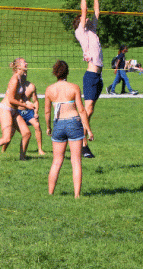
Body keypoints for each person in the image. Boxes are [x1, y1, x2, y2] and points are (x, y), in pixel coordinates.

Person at [44, 60, 94, 198]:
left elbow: (47, 112)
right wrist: (88, 130)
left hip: (58, 124)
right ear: (67, 72)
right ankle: (77, 195)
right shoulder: (74, 87)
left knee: (56, 161)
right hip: (74, 123)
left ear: (55, 73)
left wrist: (48, 127)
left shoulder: (49, 89)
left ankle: (50, 193)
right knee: (76, 161)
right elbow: (82, 110)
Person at [0, 58, 36, 162]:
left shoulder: (23, 77)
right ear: (18, 67)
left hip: (13, 110)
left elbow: (22, 95)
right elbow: (11, 99)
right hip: (5, 109)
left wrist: (27, 102)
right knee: (6, 138)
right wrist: (25, 106)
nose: (26, 63)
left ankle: (22, 158)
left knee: (26, 133)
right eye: (24, 62)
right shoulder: (14, 79)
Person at [73, 0, 102, 158]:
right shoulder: (80, 32)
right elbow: (85, 11)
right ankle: (82, 144)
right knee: (87, 110)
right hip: (90, 75)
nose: (89, 19)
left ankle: (80, 138)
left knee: (90, 110)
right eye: (85, 19)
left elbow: (97, 11)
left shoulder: (92, 31)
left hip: (98, 76)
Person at [15, 65, 46, 156]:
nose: (24, 74)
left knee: (37, 125)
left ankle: (40, 149)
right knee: (11, 131)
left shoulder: (31, 86)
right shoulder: (15, 84)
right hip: (18, 111)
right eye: (23, 73)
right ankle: (3, 150)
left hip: (28, 112)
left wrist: (36, 112)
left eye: (26, 73)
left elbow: (35, 101)